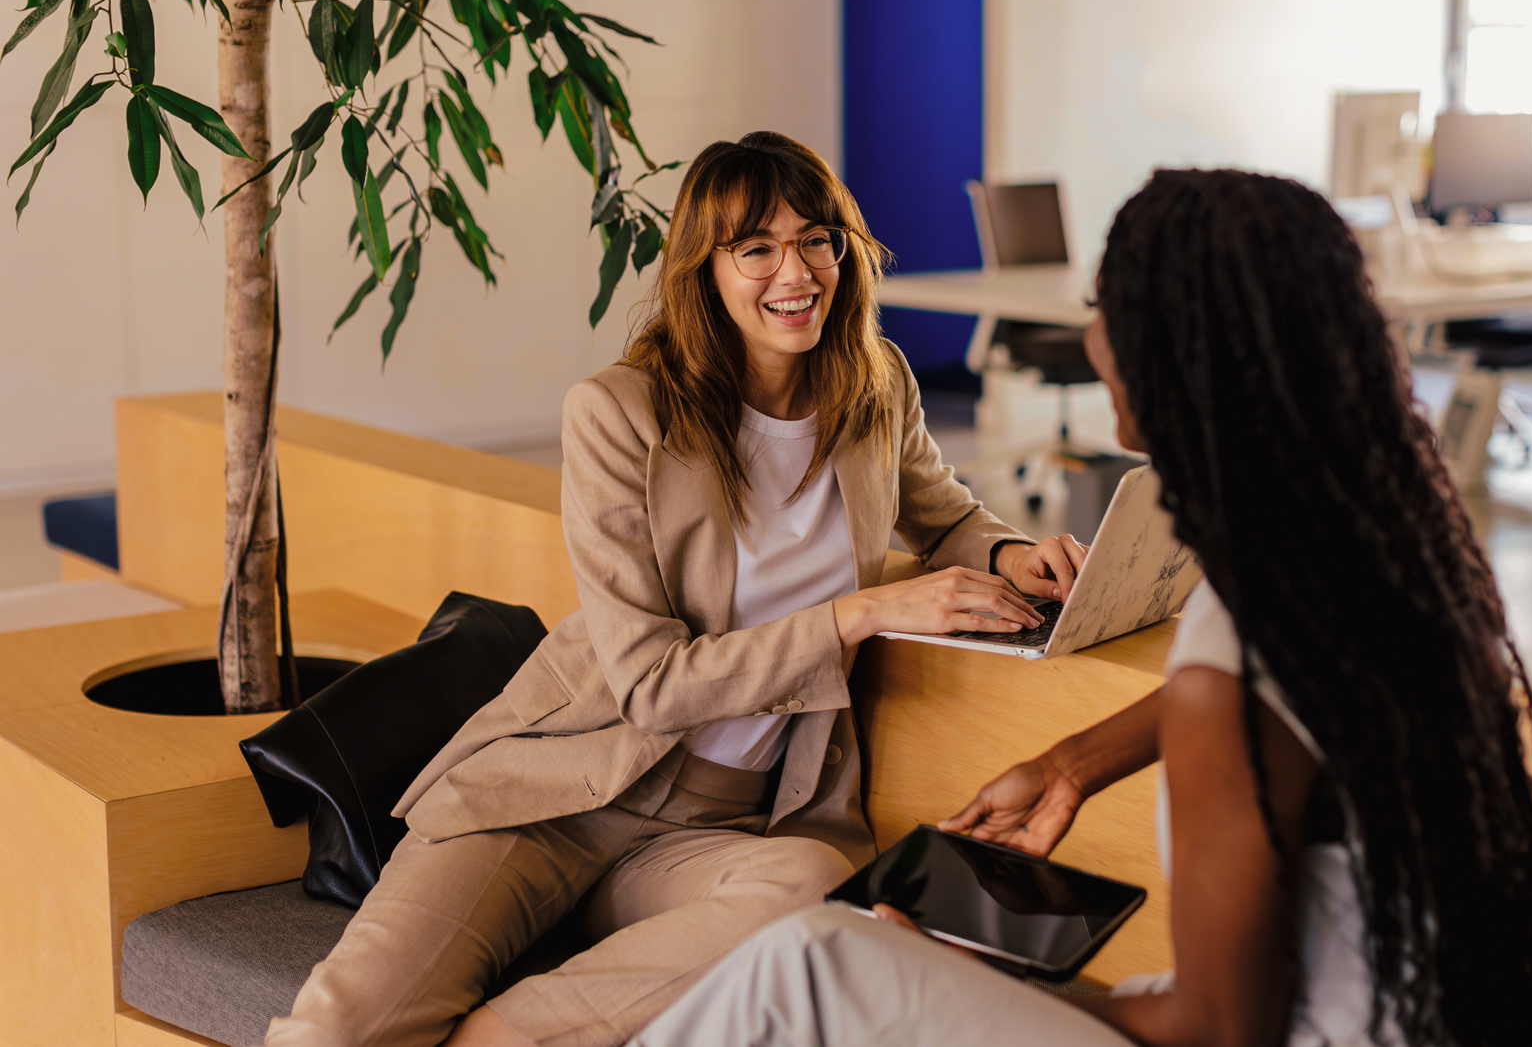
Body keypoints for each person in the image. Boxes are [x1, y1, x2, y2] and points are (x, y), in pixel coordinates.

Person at [623, 169, 1532, 1047]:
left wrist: (988, 979)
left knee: (812, 960)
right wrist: (1073, 763)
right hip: (1381, 1016)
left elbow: (1217, 1029)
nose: (1089, 335)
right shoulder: (1367, 559)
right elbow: (1277, 697)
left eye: (1098, 307)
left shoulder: (1228, 684)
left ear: (1165, 349)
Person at [262, 132, 1088, 1047]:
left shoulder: (874, 383)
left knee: (809, 892)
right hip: (555, 794)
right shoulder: (620, 413)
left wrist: (1012, 555)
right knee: (337, 1029)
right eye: (757, 248)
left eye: (818, 239)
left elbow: (942, 515)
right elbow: (650, 684)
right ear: (707, 268)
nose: (797, 271)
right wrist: (859, 613)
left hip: (722, 826)